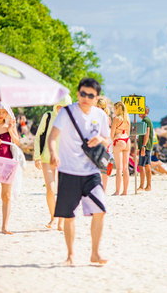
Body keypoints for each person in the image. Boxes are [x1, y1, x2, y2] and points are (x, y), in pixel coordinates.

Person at [47, 77, 109, 266]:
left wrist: (100, 139)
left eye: (91, 95)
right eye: (83, 93)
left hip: (91, 172)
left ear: (96, 97)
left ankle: (95, 253)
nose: (86, 98)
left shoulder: (100, 115)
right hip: (68, 171)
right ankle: (71, 255)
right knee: (68, 214)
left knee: (100, 210)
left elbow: (108, 140)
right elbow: (52, 136)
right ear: (77, 93)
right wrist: (53, 154)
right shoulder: (66, 112)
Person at [34, 94, 72, 230]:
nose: (61, 110)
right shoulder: (48, 116)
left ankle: (61, 221)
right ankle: (53, 217)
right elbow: (39, 136)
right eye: (59, 106)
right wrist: (37, 156)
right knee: (50, 190)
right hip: (47, 157)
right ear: (56, 106)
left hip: (65, 160)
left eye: (65, 107)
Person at [0, 102, 20, 234]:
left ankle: (5, 226)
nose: (1, 115)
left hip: (8, 162)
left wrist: (11, 130)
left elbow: (17, 142)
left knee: (6, 195)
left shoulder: (10, 124)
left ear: (7, 112)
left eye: (4, 112)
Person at [111, 102, 131, 195]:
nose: (114, 110)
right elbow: (128, 133)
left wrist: (114, 137)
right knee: (125, 168)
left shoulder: (116, 118)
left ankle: (117, 191)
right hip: (127, 141)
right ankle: (125, 191)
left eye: (115, 108)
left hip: (118, 140)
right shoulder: (127, 118)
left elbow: (112, 134)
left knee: (119, 168)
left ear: (117, 109)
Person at [96, 97, 112, 192]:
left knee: (98, 166)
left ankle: (99, 188)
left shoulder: (100, 116)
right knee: (104, 167)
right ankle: (104, 189)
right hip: (107, 143)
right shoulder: (108, 118)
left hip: (100, 143)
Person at [137, 106, 154, 191]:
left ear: (145, 112)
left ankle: (142, 186)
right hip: (147, 146)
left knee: (142, 166)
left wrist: (143, 146)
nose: (138, 112)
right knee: (147, 165)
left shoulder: (145, 120)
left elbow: (147, 134)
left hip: (145, 146)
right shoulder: (146, 120)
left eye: (141, 111)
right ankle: (148, 186)